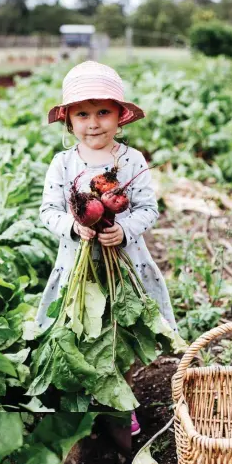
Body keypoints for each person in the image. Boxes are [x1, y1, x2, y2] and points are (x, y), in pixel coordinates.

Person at [38, 61, 176, 436]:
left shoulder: (132, 160)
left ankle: (121, 397)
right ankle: (89, 399)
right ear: (69, 121)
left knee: (123, 329)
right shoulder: (62, 163)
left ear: (120, 117)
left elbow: (149, 209)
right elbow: (48, 212)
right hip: (77, 266)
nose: (93, 122)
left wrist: (124, 230)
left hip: (125, 266)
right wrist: (74, 226)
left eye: (103, 112)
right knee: (81, 332)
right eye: (83, 114)